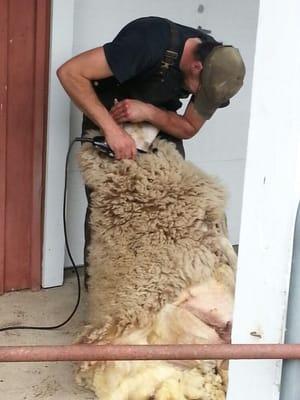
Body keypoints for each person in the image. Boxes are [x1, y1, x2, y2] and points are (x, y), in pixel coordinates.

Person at [57, 16, 245, 286]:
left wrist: (148, 112)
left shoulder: (218, 76)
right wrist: (112, 131)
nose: (200, 99)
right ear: (196, 66)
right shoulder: (149, 41)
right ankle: (105, 296)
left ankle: (158, 289)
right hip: (111, 118)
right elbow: (71, 72)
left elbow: (189, 126)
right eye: (199, 92)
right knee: (113, 213)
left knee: (171, 211)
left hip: (157, 122)